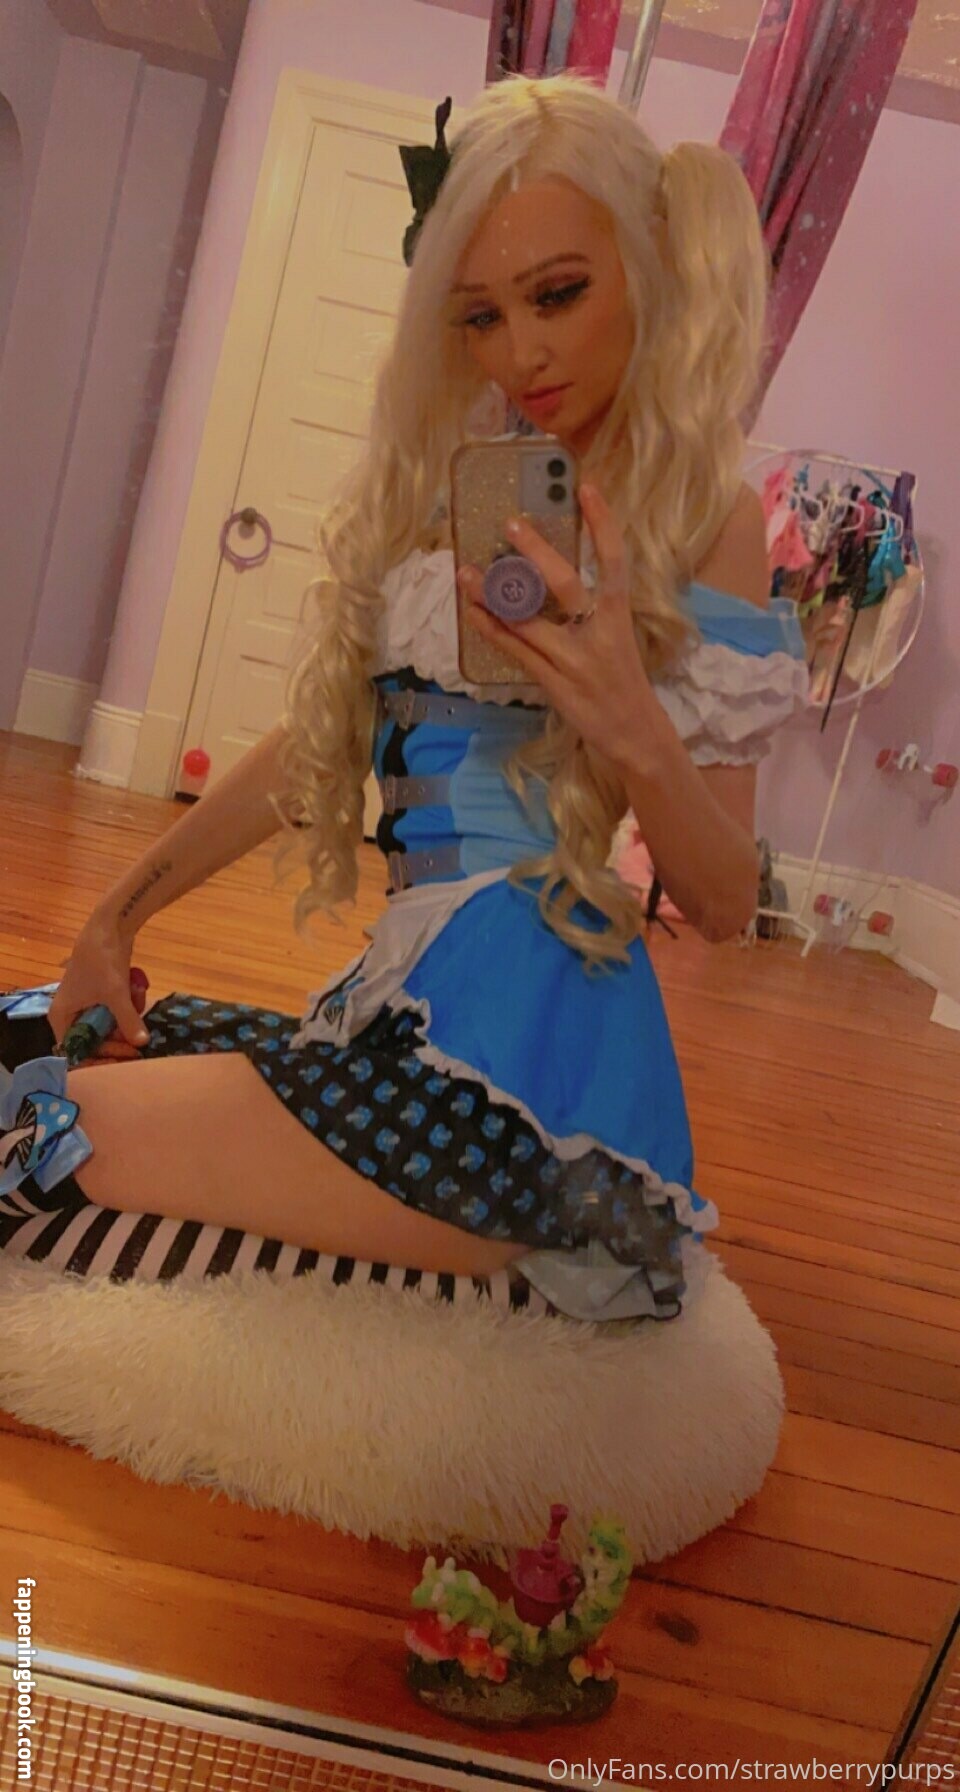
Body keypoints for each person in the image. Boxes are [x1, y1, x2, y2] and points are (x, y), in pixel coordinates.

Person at [0, 76, 807, 1322]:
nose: (522, 352)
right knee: (20, 1033)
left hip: (520, 1080)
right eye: (481, 313)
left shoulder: (706, 515)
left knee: (37, 1124)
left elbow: (724, 900)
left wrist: (632, 726)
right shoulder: (463, 475)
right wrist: (116, 914)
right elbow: (314, 751)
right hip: (406, 1014)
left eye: (558, 293)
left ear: (646, 266)